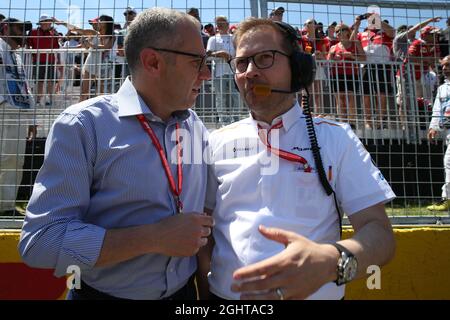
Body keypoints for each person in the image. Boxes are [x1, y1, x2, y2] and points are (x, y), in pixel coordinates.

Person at [19, 7, 214, 300]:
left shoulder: (195, 126)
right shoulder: (84, 125)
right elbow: (40, 242)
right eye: (197, 61)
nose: (207, 74)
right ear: (152, 61)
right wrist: (154, 238)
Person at [198, 18, 396, 300]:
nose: (250, 72)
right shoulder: (216, 142)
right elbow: (204, 234)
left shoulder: (336, 139)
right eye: (241, 64)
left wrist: (330, 262)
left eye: (265, 58)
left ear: (298, 68)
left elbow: (381, 236)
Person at [0, 18, 35, 214]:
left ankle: (6, 205)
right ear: (6, 28)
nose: (24, 33)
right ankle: (4, 207)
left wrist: (32, 118)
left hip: (17, 111)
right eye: (20, 28)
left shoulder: (16, 56)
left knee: (15, 160)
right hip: (6, 109)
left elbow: (24, 86)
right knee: (7, 159)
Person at [357, 14, 395, 129]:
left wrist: (377, 18)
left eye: (374, 20)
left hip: (382, 66)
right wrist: (357, 24)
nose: (372, 22)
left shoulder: (385, 32)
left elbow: (392, 32)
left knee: (381, 93)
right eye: (369, 20)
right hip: (366, 66)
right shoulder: (363, 33)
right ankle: (368, 121)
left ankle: (380, 119)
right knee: (366, 94)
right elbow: (351, 39)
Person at [327, 22, 366, 127]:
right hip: (336, 75)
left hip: (351, 74)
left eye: (342, 29)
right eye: (337, 31)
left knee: (350, 97)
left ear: (347, 31)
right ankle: (342, 123)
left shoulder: (354, 44)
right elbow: (328, 61)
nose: (339, 32)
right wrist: (332, 58)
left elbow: (364, 58)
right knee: (340, 99)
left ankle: (352, 122)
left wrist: (352, 56)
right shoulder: (334, 47)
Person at [427, 55, 450, 211]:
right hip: (449, 131)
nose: (444, 68)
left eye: (448, 65)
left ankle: (447, 199)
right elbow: (437, 109)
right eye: (443, 66)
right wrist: (433, 126)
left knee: (449, 161)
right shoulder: (442, 88)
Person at [206, 15, 239, 124]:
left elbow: (238, 54)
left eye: (222, 22)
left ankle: (236, 119)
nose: (220, 24)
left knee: (237, 96)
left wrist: (230, 57)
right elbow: (208, 56)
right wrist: (220, 54)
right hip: (219, 73)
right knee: (220, 97)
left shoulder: (234, 38)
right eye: (217, 22)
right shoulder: (212, 38)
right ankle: (223, 121)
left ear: (228, 23)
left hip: (233, 71)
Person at [27, 14, 60, 106]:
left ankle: (50, 100)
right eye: (46, 21)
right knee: (39, 81)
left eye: (49, 21)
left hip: (50, 60)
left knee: (51, 80)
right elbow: (28, 45)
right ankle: (38, 100)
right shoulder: (33, 32)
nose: (48, 23)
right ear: (41, 23)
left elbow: (57, 47)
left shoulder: (54, 32)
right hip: (38, 60)